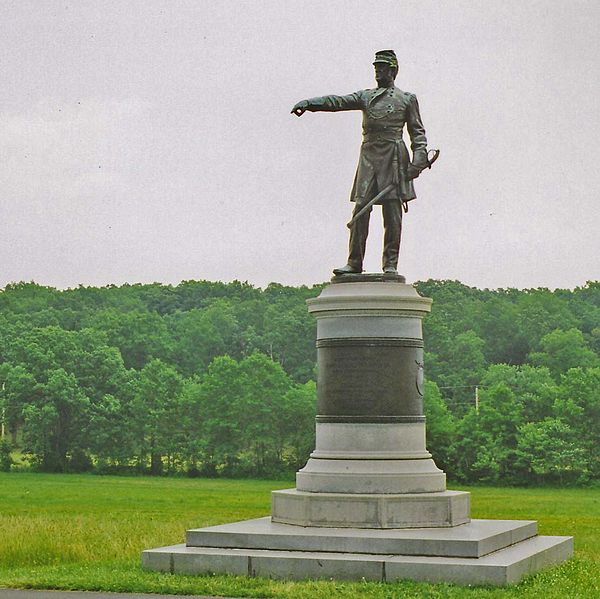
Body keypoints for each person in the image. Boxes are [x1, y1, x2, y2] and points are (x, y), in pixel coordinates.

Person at [292, 50, 431, 275]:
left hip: (394, 159)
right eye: (376, 67)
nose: (378, 71)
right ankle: (354, 262)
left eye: (383, 67)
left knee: (392, 214)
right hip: (369, 158)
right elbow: (337, 101)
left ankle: (390, 264)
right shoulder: (366, 96)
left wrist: (418, 161)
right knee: (360, 210)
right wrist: (310, 103)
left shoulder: (407, 99)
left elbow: (418, 133)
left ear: (393, 70)